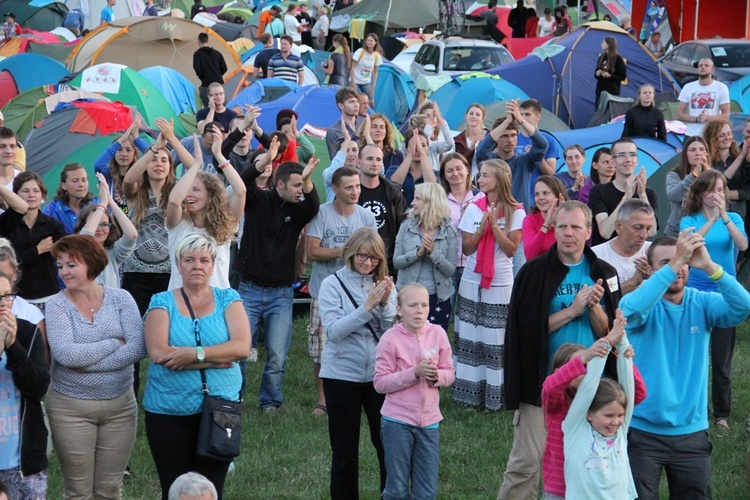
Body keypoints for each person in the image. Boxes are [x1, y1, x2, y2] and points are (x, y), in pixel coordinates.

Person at [499, 201, 620, 499]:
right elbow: (524, 333)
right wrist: (572, 309)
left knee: (585, 466)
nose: (568, 233)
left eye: (576, 227)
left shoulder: (604, 272)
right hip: (543, 384)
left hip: (590, 387)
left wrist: (592, 308)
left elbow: (610, 334)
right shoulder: (534, 272)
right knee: (525, 464)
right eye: (562, 226)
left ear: (588, 232)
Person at [620, 232, 750, 498]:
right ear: (652, 269)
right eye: (666, 262)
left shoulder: (700, 302)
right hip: (643, 432)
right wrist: (675, 261)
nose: (677, 268)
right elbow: (628, 310)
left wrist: (711, 267)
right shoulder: (644, 305)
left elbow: (743, 307)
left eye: (682, 262)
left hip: (691, 433)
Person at [143, 234, 250, 499]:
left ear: (213, 265)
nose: (197, 266)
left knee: (212, 489)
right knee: (175, 487)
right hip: (168, 411)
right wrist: (216, 359)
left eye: (204, 260)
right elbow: (158, 353)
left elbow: (241, 348)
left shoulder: (229, 299)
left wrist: (192, 354)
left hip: (220, 409)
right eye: (189, 260)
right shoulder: (162, 301)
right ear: (178, 265)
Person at [45, 234, 146, 499]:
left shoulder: (121, 299)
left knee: (110, 489)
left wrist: (88, 364)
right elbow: (66, 355)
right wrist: (114, 343)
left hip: (120, 408)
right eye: (60, 266)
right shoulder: (56, 305)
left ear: (91, 263)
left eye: (71, 265)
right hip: (70, 409)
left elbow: (137, 348)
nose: (64, 272)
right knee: (78, 491)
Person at [237, 140, 320, 410]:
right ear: (280, 184)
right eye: (296, 185)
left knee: (277, 354)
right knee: (238, 351)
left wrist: (308, 182)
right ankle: (234, 397)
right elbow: (242, 181)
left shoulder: (298, 211)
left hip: (281, 293)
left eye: (302, 186)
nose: (301, 191)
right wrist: (263, 161)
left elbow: (314, 205)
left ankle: (270, 401)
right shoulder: (256, 200)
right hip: (248, 290)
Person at [318, 227, 396, 499]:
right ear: (350, 253)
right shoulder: (332, 284)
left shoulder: (384, 283)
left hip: (378, 376)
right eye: (363, 256)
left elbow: (390, 332)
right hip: (341, 377)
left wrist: (385, 304)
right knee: (344, 452)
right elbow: (334, 332)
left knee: (386, 446)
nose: (367, 263)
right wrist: (367, 308)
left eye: (374, 258)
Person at [453, 159, 524, 410]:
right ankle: (469, 395)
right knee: (472, 334)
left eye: (485, 176)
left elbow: (511, 250)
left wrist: (495, 226)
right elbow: (467, 248)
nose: (479, 180)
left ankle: (496, 396)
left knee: (495, 337)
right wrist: (481, 230)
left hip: (501, 281)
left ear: (499, 179)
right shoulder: (473, 208)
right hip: (472, 278)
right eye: (480, 175)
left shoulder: (517, 211)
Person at [374, 282, 455, 500]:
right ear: (399, 310)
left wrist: (437, 376)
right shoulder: (390, 339)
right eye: (412, 305)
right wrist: (414, 373)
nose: (419, 311)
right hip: (397, 421)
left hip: (429, 422)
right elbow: (380, 383)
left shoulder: (438, 334)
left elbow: (450, 372)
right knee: (397, 489)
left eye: (424, 305)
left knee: (426, 492)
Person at [680, 170, 747, 432]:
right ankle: (692, 408)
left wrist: (725, 218)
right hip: (695, 295)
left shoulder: (734, 218)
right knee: (692, 356)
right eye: (711, 190)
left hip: (723, 296)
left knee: (721, 360)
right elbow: (690, 245)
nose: (716, 195)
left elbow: (742, 245)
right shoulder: (689, 219)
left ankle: (721, 414)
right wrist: (710, 220)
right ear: (700, 193)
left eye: (720, 190)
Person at [307, 167, 377, 416]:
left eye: (357, 186)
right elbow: (312, 252)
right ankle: (322, 400)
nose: (355, 191)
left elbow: (374, 252)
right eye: (349, 187)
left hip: (358, 290)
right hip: (323, 288)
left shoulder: (366, 217)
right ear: (334, 189)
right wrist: (347, 251)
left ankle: (358, 392)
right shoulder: (322, 214)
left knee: (358, 341)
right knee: (322, 347)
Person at [542, 334, 645, 499]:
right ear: (561, 372)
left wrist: (626, 357)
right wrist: (586, 355)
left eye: (590, 365)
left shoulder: (597, 398)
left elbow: (636, 395)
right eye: (582, 365)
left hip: (596, 489)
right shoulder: (557, 404)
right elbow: (550, 387)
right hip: (560, 489)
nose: (587, 371)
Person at [562, 314, 637, 498]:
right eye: (609, 416)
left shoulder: (620, 432)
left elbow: (628, 385)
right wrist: (606, 343)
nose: (616, 421)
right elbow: (588, 386)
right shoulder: (575, 428)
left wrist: (622, 345)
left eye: (620, 415)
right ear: (589, 413)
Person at [166, 135, 245, 290]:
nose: (189, 195)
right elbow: (174, 201)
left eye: (195, 190)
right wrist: (196, 165)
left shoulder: (225, 225)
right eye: (187, 190)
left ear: (211, 195)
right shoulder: (178, 224)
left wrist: (219, 155)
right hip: (181, 304)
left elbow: (240, 191)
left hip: (217, 304)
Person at [0, 271, 50, 499]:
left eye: (7, 295)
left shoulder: (28, 333)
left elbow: (39, 387)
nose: (3, 304)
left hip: (22, 461)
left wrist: (13, 347)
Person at [393, 183, 458, 332]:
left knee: (433, 347)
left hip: (438, 299)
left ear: (430, 202)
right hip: (408, 297)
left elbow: (450, 270)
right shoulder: (406, 227)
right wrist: (418, 253)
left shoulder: (449, 232)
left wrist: (433, 253)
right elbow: (397, 262)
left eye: (417, 199)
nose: (412, 203)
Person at [475, 99, 549, 212]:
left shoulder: (525, 162)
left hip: (519, 220)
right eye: (504, 136)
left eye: (513, 135)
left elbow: (542, 145)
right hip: (493, 217)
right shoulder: (489, 162)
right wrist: (506, 122)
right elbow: (482, 150)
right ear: (497, 138)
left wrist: (521, 120)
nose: (510, 140)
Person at [588, 138, 658, 246]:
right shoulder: (598, 191)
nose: (628, 159)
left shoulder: (648, 193)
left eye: (632, 154)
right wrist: (626, 197)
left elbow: (652, 231)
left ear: (637, 160)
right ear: (613, 161)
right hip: (606, 257)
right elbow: (605, 232)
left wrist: (642, 195)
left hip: (637, 257)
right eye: (621, 155)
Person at [74, 173, 138, 289]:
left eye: (104, 224)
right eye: (95, 223)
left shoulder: (113, 252)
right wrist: (102, 204)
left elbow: (132, 235)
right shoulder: (78, 251)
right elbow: (85, 238)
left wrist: (110, 201)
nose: (100, 229)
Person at [7, 172, 60, 307]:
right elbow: (11, 261)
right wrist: (38, 250)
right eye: (25, 191)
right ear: (16, 194)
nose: (31, 195)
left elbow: (65, 254)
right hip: (18, 299)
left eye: (36, 191)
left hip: (50, 296)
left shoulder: (53, 225)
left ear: (42, 195)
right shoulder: (7, 225)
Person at [357, 144, 407, 276]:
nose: (375, 163)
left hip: (387, 263)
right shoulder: (350, 190)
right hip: (356, 261)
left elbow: (404, 227)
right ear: (358, 162)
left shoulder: (394, 192)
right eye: (369, 159)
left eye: (378, 159)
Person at [439, 153, 484, 299]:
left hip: (474, 262)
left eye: (459, 168)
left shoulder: (481, 197)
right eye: (450, 170)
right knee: (447, 308)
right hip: (447, 263)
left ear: (467, 170)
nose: (455, 173)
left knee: (470, 308)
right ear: (444, 175)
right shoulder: (440, 199)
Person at [592, 199, 655, 295]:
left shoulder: (654, 253)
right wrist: (634, 282)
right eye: (637, 228)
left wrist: (655, 278)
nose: (644, 235)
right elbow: (600, 297)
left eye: (648, 229)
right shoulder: (597, 256)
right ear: (618, 226)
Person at [94, 119, 147, 213]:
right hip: (114, 222)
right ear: (113, 152)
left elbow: (154, 156)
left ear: (135, 154)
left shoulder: (142, 175)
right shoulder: (107, 175)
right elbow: (98, 165)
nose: (124, 154)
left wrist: (137, 140)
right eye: (119, 149)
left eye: (128, 150)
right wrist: (121, 139)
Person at [664, 136, 711, 236]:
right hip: (677, 232)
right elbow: (674, 196)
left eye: (702, 149)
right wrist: (694, 174)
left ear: (707, 154)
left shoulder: (713, 175)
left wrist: (709, 173)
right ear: (685, 154)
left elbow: (724, 196)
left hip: (706, 230)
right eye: (693, 150)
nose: (698, 153)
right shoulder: (674, 175)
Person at [704, 119, 750, 217]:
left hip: (738, 215)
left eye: (729, 134)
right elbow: (718, 182)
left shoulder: (739, 156)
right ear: (712, 138)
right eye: (722, 135)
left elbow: (746, 192)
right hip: (713, 215)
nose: (727, 138)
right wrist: (741, 157)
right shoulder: (707, 161)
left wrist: (722, 194)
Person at [677, 58, 730, 137]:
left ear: (712, 70)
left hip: (712, 135)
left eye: (706, 65)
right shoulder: (688, 87)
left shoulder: (721, 88)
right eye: (700, 66)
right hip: (691, 135)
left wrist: (707, 118)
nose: (703, 67)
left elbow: (726, 115)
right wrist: (697, 119)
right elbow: (679, 114)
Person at [43, 163, 98, 234]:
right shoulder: (51, 210)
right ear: (64, 185)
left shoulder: (96, 205)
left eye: (84, 180)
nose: (81, 185)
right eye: (75, 181)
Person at [385, 129, 436, 206]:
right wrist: (411, 154)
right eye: (414, 145)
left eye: (423, 145)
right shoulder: (393, 170)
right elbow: (394, 185)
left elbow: (431, 186)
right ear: (406, 149)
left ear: (428, 148)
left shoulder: (435, 174)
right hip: (400, 216)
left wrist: (422, 153)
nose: (418, 149)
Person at [522, 175, 567, 259]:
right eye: (537, 194)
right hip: (539, 269)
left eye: (545, 193)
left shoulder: (570, 218)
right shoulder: (530, 220)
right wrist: (546, 225)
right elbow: (530, 255)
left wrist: (563, 219)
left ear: (559, 196)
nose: (540, 198)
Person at [193, 33, 228, 108]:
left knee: (207, 109)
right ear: (208, 41)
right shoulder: (217, 53)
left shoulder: (197, 55)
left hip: (206, 86)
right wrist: (217, 75)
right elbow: (224, 68)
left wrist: (203, 77)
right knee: (222, 108)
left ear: (198, 41)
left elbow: (197, 70)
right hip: (219, 84)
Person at [350, 34, 383, 108]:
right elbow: (352, 67)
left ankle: (369, 117)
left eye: (371, 41)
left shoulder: (376, 55)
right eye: (368, 40)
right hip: (355, 79)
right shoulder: (360, 51)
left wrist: (373, 86)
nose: (369, 42)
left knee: (371, 103)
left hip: (366, 81)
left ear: (375, 42)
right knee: (352, 100)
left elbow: (375, 72)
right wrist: (353, 83)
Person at [454, 104, 489, 170]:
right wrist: (470, 149)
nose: (474, 116)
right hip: (467, 177)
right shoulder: (459, 139)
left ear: (482, 119)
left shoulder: (489, 136)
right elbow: (459, 164)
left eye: (477, 114)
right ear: (466, 116)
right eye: (471, 113)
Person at [594, 37, 627, 107]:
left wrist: (610, 76)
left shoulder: (618, 59)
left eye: (603, 42)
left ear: (608, 45)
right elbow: (596, 73)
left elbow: (623, 76)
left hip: (612, 92)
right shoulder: (602, 57)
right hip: (600, 91)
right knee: (598, 112)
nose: (601, 44)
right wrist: (597, 73)